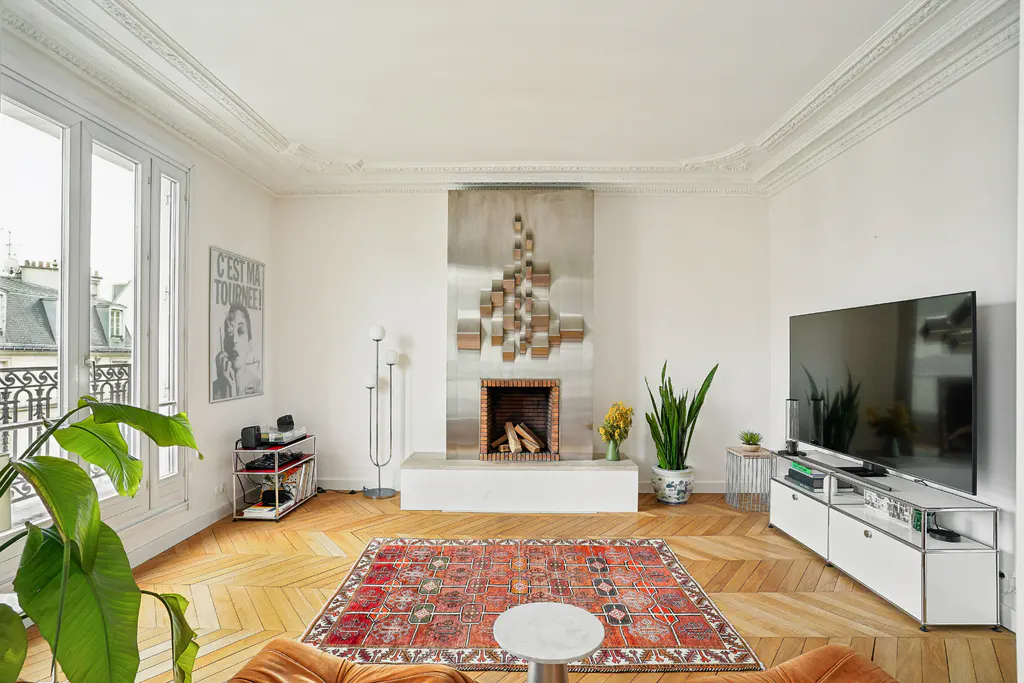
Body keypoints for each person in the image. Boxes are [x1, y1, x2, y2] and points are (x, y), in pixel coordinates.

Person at [212, 303, 262, 399]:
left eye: (240, 331)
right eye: (229, 332)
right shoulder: (214, 390)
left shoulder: (257, 385)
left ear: (249, 344)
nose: (234, 340)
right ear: (224, 342)